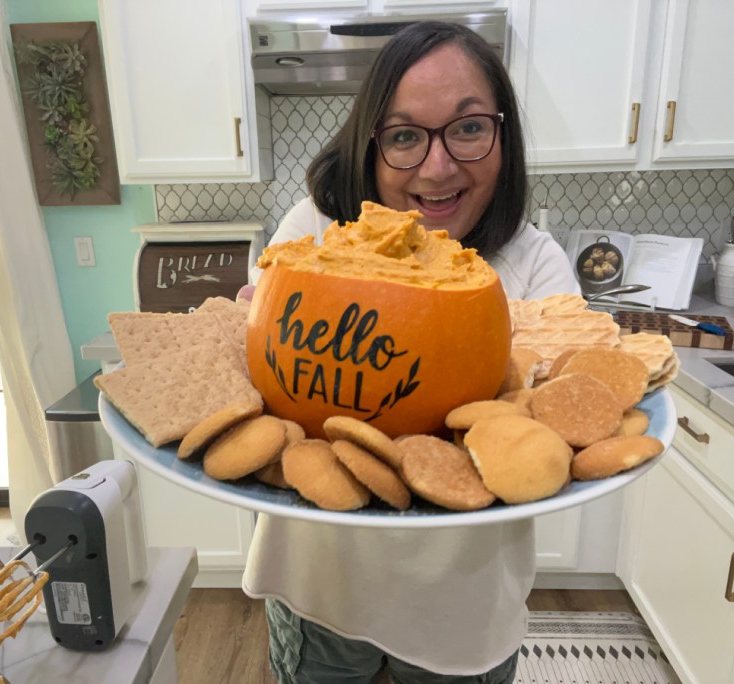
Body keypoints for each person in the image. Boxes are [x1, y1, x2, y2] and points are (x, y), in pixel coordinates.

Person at [242, 20, 581, 684]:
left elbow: (560, 430)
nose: (437, 166)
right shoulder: (312, 237)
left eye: (468, 127)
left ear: (502, 134)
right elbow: (257, 370)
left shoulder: (536, 267)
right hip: (319, 588)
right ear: (370, 146)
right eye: (404, 136)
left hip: (464, 605)